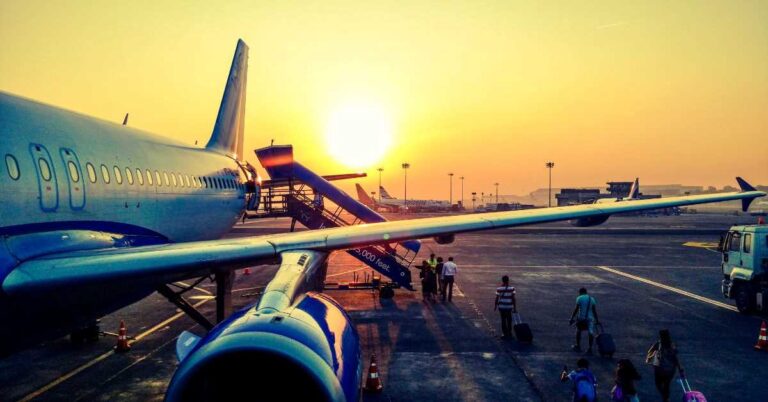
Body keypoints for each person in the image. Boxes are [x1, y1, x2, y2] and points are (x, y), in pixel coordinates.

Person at [645, 329, 683, 402]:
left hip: (660, 369)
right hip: (670, 370)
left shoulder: (658, 344)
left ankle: (664, 396)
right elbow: (676, 357)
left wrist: (654, 355)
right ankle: (666, 398)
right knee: (667, 384)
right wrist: (680, 368)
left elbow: (649, 351)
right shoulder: (672, 345)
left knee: (658, 383)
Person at [568, 287, 599, 354]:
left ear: (580, 292)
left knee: (578, 331)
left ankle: (578, 346)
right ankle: (590, 348)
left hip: (581, 318)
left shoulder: (579, 298)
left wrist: (572, 318)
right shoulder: (592, 299)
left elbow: (576, 309)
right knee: (590, 332)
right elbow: (594, 311)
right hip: (590, 318)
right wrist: (597, 320)